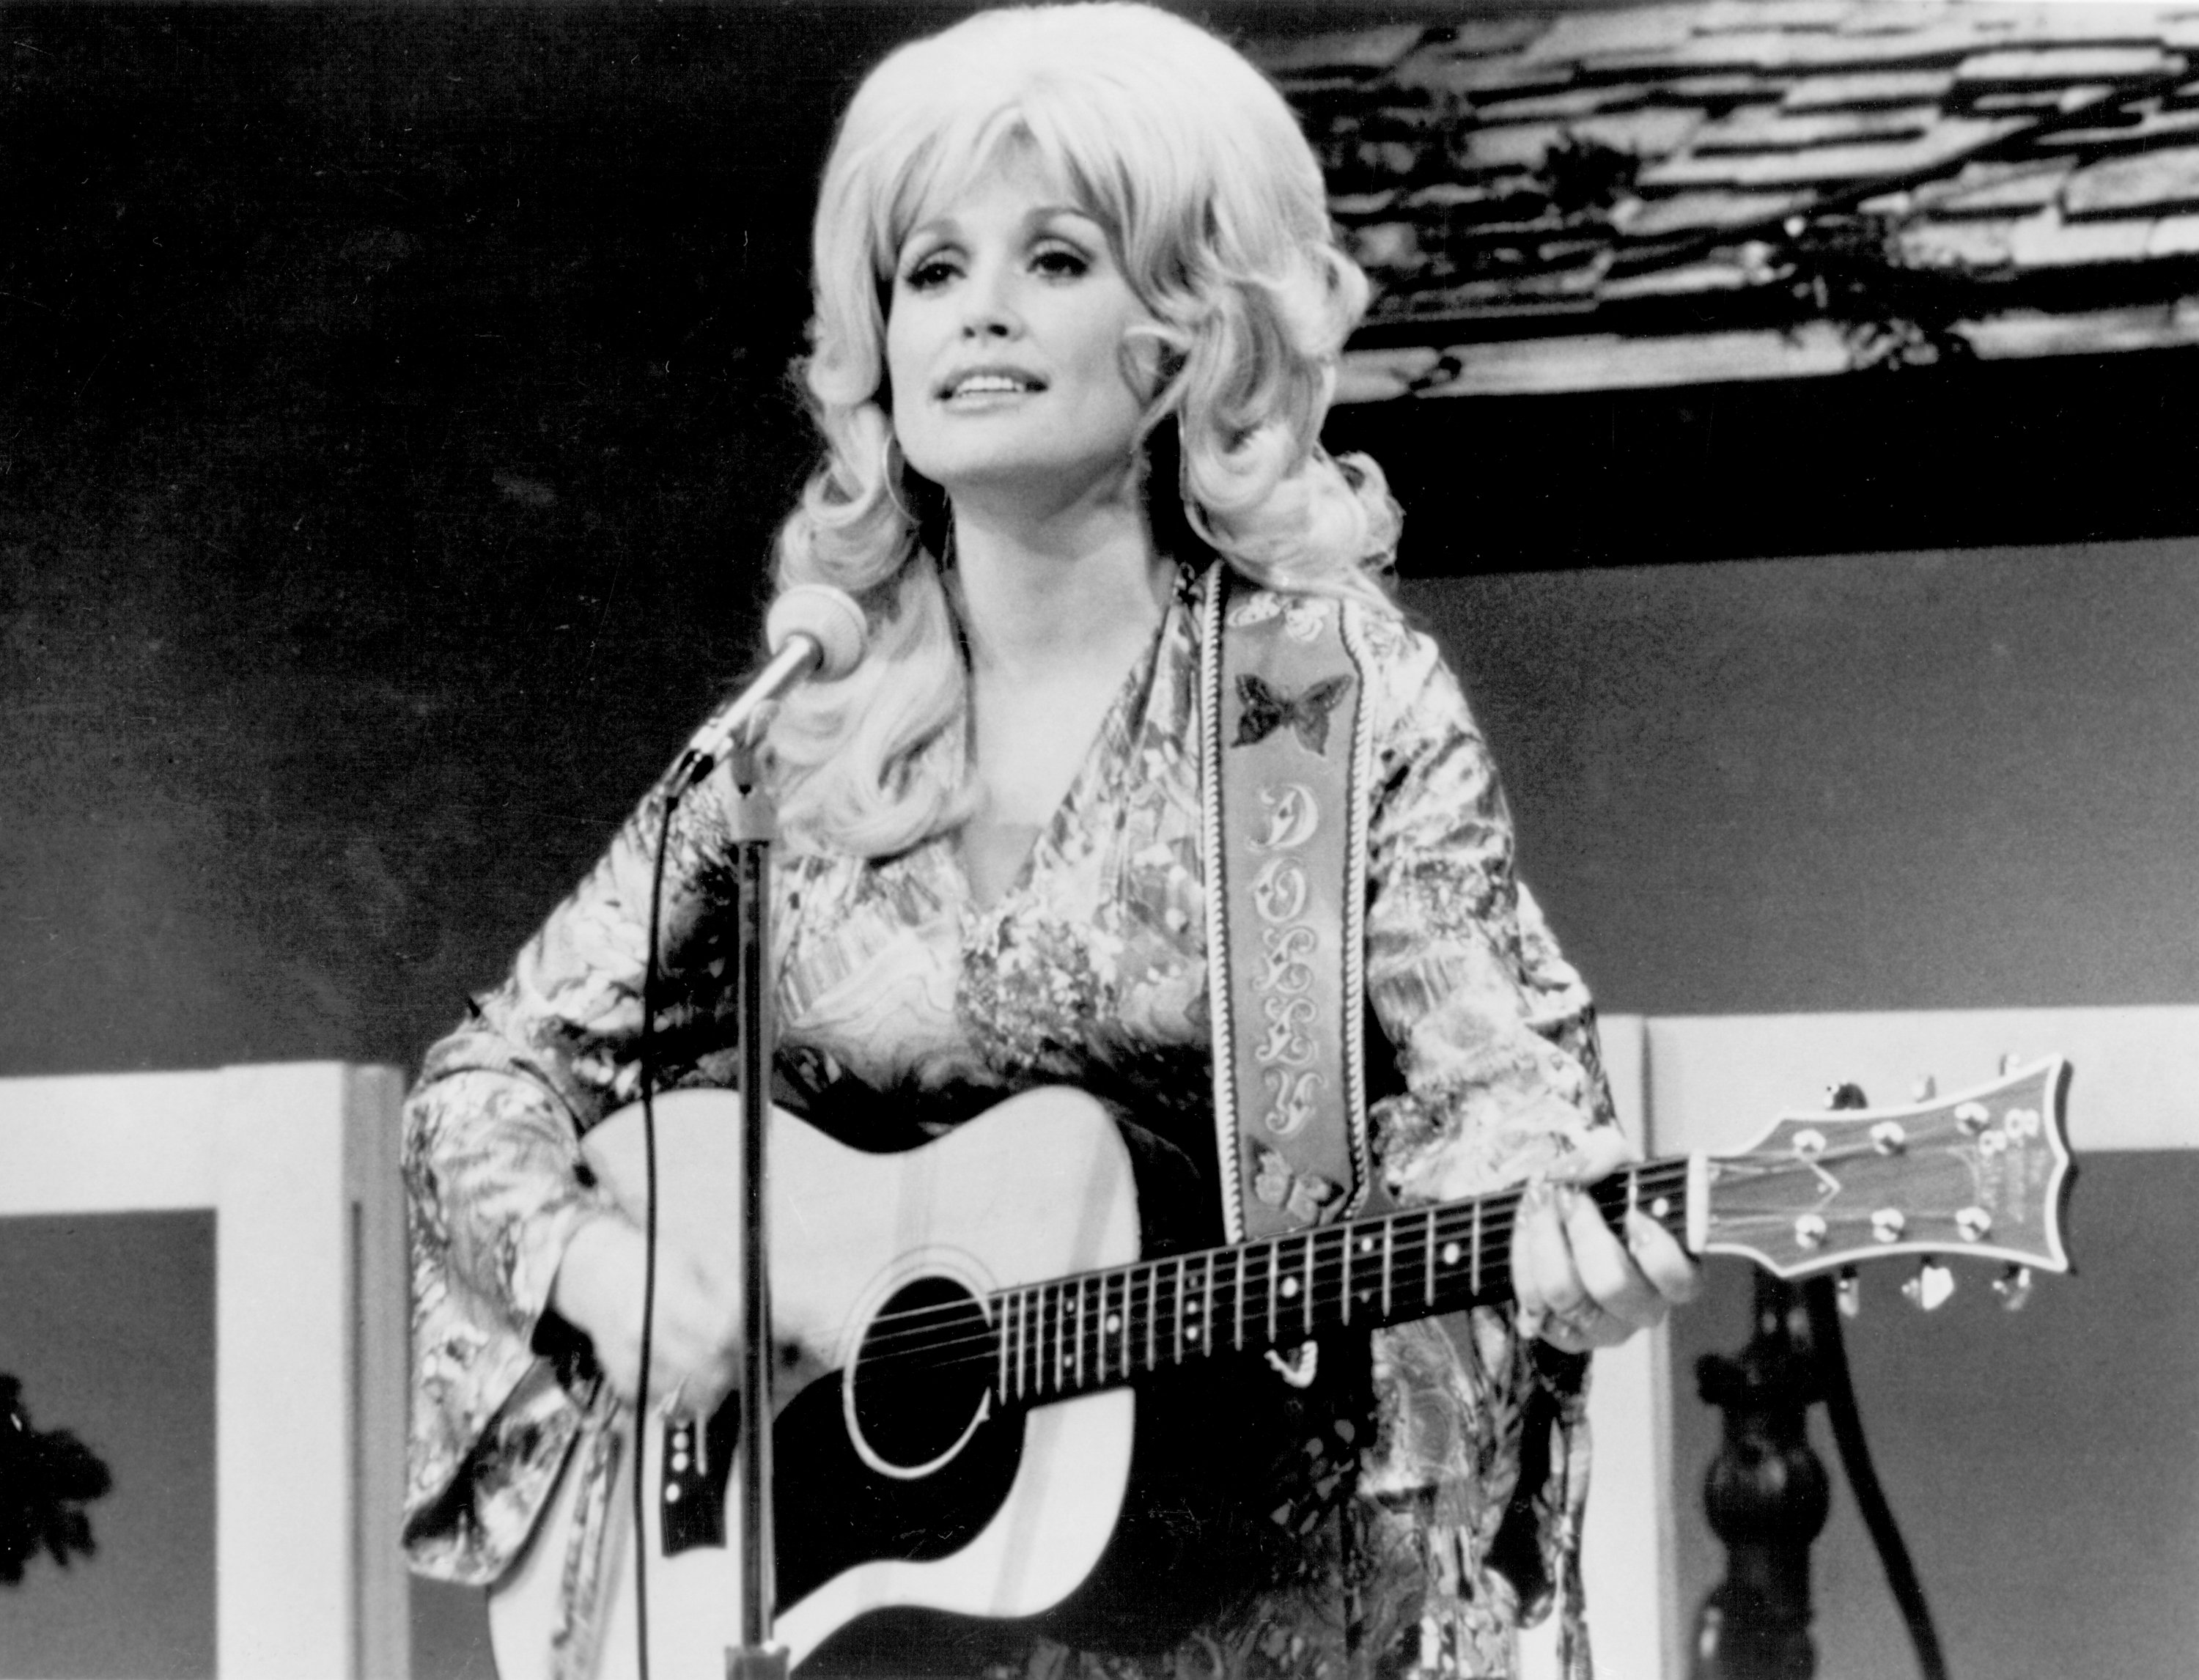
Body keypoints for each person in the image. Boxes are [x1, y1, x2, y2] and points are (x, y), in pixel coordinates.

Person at [401, 6, 1698, 1677]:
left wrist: (1550, 1246)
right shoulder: (807, 722)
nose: (980, 310)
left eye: (1058, 258)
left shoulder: (1312, 698)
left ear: (1184, 337)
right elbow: (484, 1090)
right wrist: (600, 1271)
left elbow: (1500, 1089)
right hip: (848, 1627)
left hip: (1254, 1614)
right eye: (931, 269)